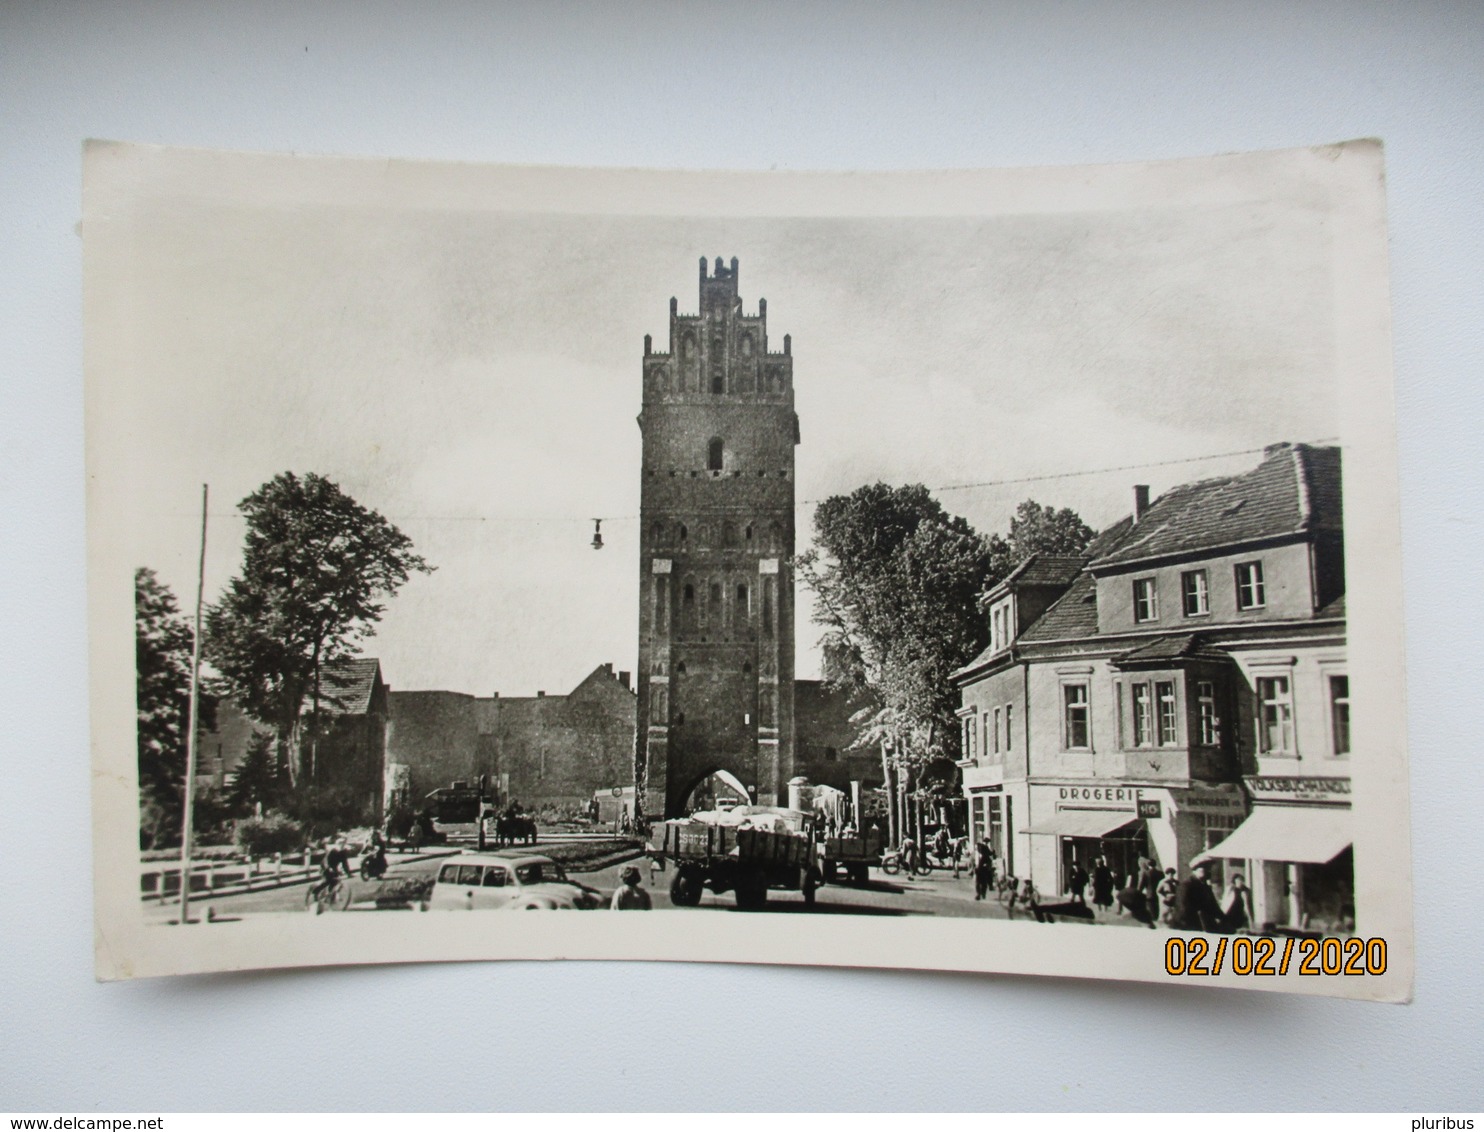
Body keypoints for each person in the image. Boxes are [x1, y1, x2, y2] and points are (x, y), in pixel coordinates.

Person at [1173, 863, 1225, 932]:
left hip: (1203, 925)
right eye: (1202, 870)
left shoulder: (1205, 886)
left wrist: (1224, 919)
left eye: (1207, 869)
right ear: (1194, 871)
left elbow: (1213, 905)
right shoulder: (1186, 885)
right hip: (1188, 925)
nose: (1206, 872)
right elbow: (1182, 907)